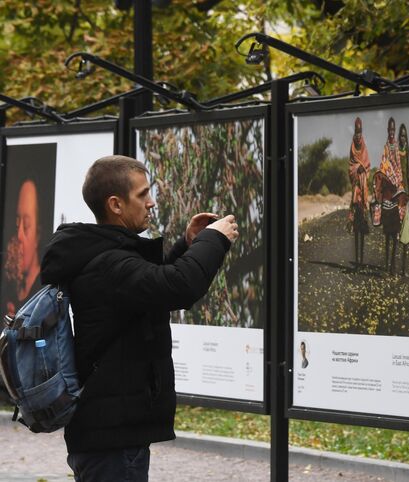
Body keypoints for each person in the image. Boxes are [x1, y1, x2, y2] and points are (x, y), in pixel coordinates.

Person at [39, 155, 238, 481]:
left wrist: (188, 246)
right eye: (143, 194)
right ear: (116, 204)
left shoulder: (103, 255)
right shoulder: (108, 264)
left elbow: (151, 292)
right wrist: (213, 239)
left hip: (109, 431)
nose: (151, 202)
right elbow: (178, 287)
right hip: (112, 439)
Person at [373, 117, 408, 275]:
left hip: (395, 199)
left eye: (394, 130)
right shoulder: (386, 148)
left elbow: (399, 172)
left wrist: (398, 185)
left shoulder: (397, 151)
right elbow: (382, 169)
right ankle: (387, 264)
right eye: (390, 130)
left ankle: (393, 264)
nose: (392, 133)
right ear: (387, 131)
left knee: (394, 235)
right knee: (387, 235)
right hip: (387, 198)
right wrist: (387, 179)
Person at [3, 179, 42, 316]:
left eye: (25, 226)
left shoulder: (44, 291)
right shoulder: (10, 284)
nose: (19, 235)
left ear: (38, 234)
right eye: (17, 224)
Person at [348, 117, 371, 267]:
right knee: (356, 229)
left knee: (362, 228)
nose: (358, 135)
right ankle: (356, 260)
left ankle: (361, 261)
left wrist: (363, 170)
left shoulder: (364, 149)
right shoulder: (352, 150)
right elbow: (350, 169)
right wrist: (357, 169)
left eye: (360, 132)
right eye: (356, 132)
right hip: (356, 192)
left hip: (363, 192)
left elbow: (368, 166)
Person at [397, 124, 409, 276]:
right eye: (401, 135)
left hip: (406, 196)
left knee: (405, 232)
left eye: (404, 136)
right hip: (397, 195)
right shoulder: (396, 152)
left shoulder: (407, 153)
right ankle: (392, 268)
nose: (403, 138)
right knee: (395, 230)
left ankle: (403, 269)